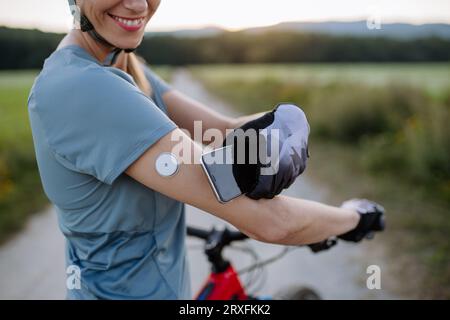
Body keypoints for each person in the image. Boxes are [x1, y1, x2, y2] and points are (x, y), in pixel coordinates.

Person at [27, 0, 384, 300]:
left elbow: (223, 130)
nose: (138, 5)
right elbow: (271, 223)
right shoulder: (85, 89)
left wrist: (285, 123)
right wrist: (353, 217)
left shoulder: (123, 65)